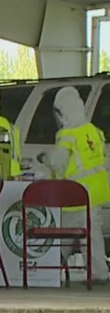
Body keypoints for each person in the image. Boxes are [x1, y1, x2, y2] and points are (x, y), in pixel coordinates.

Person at [40, 86, 110, 283]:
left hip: (75, 196)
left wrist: (45, 159)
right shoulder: (94, 131)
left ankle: (50, 270)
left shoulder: (67, 134)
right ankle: (99, 273)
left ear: (62, 112)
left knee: (62, 236)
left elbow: (58, 162)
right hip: (96, 195)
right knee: (92, 236)